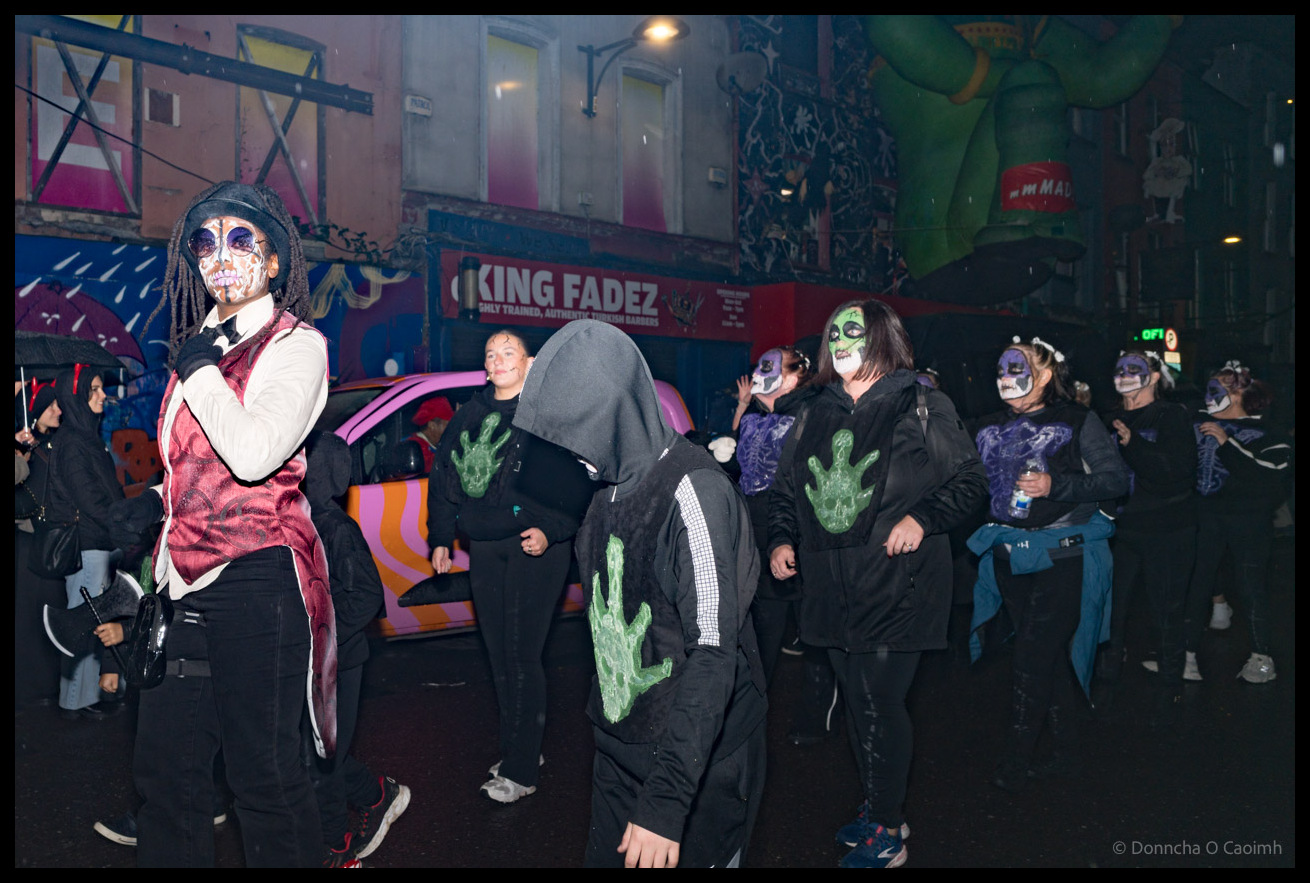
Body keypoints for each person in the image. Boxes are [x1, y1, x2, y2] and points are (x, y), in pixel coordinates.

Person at [107, 181, 333, 867]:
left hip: (259, 579)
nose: (220, 255)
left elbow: (255, 450)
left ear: (271, 262)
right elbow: (198, 463)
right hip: (181, 584)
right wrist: (154, 498)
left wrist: (200, 370)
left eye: (241, 239)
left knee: (264, 780)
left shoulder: (297, 345)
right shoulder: (200, 346)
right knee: (166, 778)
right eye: (205, 242)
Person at [513, 319, 767, 868]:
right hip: (622, 749)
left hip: (697, 765)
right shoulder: (604, 495)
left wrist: (667, 803)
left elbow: (713, 654)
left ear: (614, 412)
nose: (569, 453)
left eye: (576, 432)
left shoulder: (693, 490)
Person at [767, 300, 988, 868]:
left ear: (882, 339)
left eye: (853, 332)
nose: (840, 340)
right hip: (830, 587)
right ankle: (880, 805)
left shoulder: (920, 402)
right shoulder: (814, 410)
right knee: (859, 708)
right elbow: (787, 491)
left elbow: (969, 480)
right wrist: (782, 540)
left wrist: (922, 518)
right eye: (834, 333)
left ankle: (887, 829)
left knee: (878, 701)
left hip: (899, 583)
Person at [426, 328, 584, 804]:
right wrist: (441, 537)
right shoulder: (470, 414)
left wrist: (550, 529)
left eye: (507, 352)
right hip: (485, 545)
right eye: (490, 352)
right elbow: (444, 478)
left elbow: (574, 485)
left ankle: (520, 769)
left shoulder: (547, 417)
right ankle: (520, 748)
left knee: (522, 653)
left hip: (534, 546)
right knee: (498, 652)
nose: (496, 359)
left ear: (530, 363)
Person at [968, 337, 1128, 793]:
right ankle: (1066, 753)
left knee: (1031, 656)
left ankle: (1015, 763)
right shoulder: (987, 425)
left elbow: (1115, 480)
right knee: (1047, 659)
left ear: (1045, 374)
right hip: (1010, 558)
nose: (1005, 377)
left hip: (1063, 556)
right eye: (1001, 367)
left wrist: (1055, 484)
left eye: (1017, 367)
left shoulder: (1078, 420)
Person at [303, 431, 410, 866]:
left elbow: (366, 594)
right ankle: (376, 793)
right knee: (315, 751)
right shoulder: (304, 522)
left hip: (341, 661)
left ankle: (338, 849)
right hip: (315, 659)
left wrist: (326, 634)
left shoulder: (336, 528)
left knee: (323, 759)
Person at [731, 347, 838, 745]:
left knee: (813, 629)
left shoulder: (812, 413)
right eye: (757, 365)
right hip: (758, 535)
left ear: (793, 378)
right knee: (763, 629)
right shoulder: (759, 418)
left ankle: (817, 717)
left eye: (768, 367)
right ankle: (751, 714)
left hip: (799, 535)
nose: (758, 373)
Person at [1098, 350, 1197, 722]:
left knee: (1166, 607)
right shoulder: (1106, 418)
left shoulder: (1170, 415)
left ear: (1154, 377)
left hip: (1167, 528)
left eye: (1135, 369)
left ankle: (1171, 692)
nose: (1125, 374)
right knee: (1112, 607)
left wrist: (1133, 444)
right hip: (1119, 530)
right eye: (1120, 368)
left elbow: (1177, 470)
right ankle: (1105, 683)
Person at [1181, 361, 1292, 683]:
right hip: (1207, 517)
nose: (1209, 396)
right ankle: (1185, 658)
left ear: (1240, 393)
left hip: (1249, 521)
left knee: (1250, 586)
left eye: (1218, 390)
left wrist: (1227, 445)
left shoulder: (1270, 432)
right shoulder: (1199, 424)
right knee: (1197, 582)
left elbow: (1270, 475)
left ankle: (1262, 658)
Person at [45, 364, 124, 719]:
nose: (102, 394)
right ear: (76, 396)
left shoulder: (86, 438)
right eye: (93, 389)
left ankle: (82, 697)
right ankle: (76, 701)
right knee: (84, 624)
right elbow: (90, 500)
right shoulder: (73, 442)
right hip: (87, 544)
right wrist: (123, 521)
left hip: (98, 543)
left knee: (94, 622)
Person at [15, 379, 67, 710]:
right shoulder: (28, 446)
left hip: (52, 541)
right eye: (50, 406)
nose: (57, 410)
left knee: (49, 612)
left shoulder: (57, 444)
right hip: (28, 541)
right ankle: (28, 689)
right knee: (26, 618)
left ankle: (45, 685)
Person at [407, 396, 453, 474]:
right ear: (432, 425)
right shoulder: (418, 449)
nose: (451, 429)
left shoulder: (435, 444)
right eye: (448, 425)